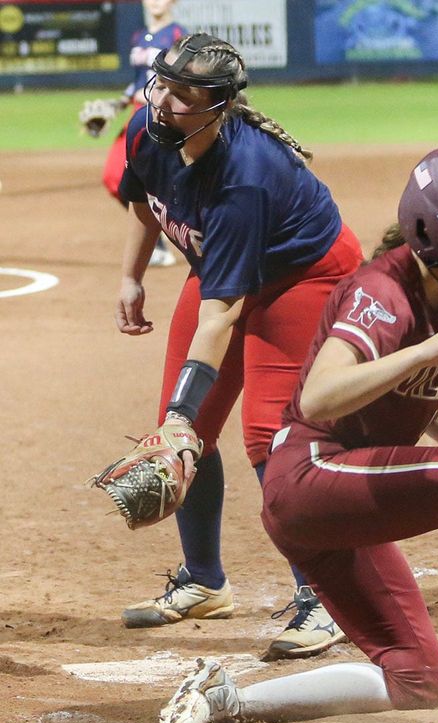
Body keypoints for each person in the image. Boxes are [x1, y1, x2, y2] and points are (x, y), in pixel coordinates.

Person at [158, 146, 438, 723]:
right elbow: (318, 397)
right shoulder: (381, 293)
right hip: (311, 478)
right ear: (434, 234)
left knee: (415, 679)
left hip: (339, 494)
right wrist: (423, 352)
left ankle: (225, 700)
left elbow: (435, 403)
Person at [114, 33, 362, 659]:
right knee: (185, 431)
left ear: (219, 105)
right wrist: (131, 276)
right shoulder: (148, 128)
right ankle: (203, 582)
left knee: (269, 436)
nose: (163, 99)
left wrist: (179, 413)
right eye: (161, 84)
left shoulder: (245, 178)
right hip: (224, 263)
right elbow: (149, 204)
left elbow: (220, 315)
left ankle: (324, 597)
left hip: (303, 273)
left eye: (182, 93)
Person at [82, 0, 186, 266]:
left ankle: (180, 237)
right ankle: (160, 241)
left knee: (165, 182)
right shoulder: (139, 36)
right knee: (115, 177)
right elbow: (138, 80)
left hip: (160, 114)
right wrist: (118, 104)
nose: (155, 2)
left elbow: (180, 79)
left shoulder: (177, 35)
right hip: (136, 114)